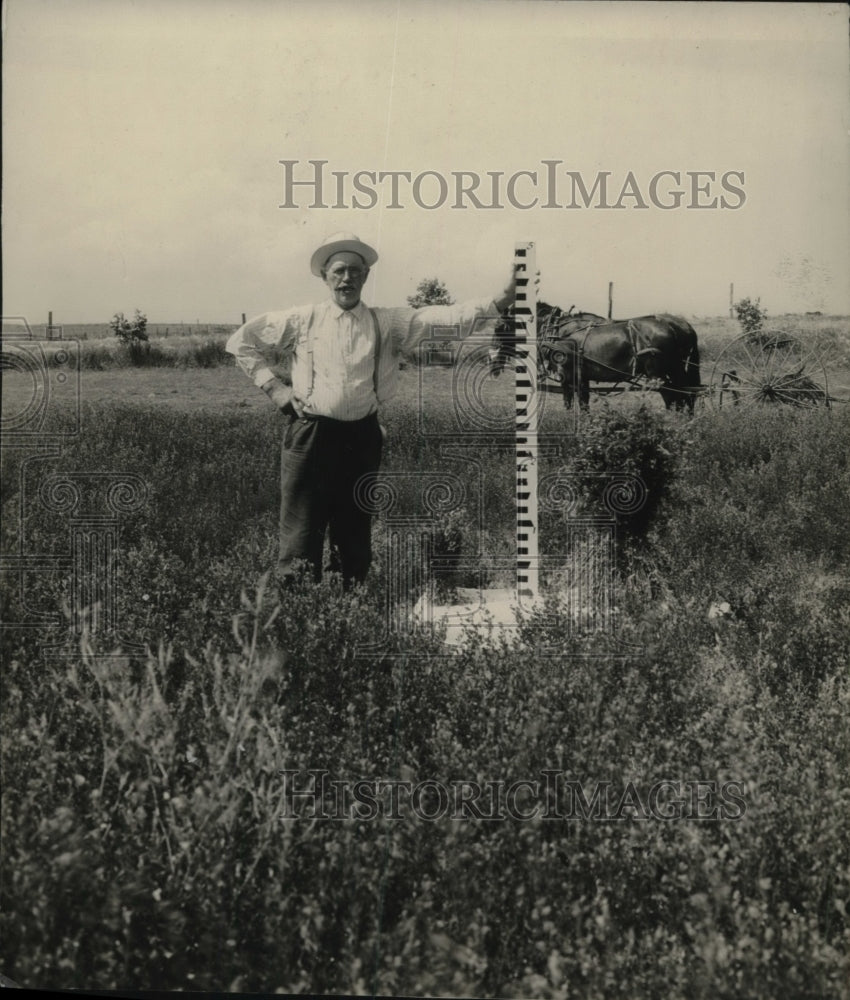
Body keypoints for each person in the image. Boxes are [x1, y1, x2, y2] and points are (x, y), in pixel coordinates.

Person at [226, 231, 517, 589]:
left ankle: (350, 604)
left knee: (354, 527)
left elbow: (445, 318)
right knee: (301, 528)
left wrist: (501, 300)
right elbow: (241, 341)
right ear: (324, 277)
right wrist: (274, 388)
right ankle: (297, 610)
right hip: (310, 435)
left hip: (361, 436)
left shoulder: (387, 322)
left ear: (365, 277)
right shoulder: (303, 319)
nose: (346, 279)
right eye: (338, 271)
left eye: (354, 272)